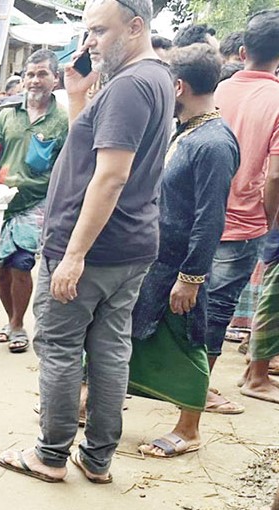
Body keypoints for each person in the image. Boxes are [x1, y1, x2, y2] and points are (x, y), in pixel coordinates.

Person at [0, 0, 174, 485]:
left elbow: (111, 177)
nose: (89, 42)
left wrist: (73, 255)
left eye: (99, 31)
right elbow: (92, 152)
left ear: (136, 27)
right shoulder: (151, 78)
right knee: (111, 350)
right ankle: (97, 460)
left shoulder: (131, 85)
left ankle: (50, 455)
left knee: (59, 347)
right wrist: (78, 97)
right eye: (87, 31)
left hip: (93, 249)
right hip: (129, 245)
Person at [128, 44, 239, 458]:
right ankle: (91, 399)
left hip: (182, 269)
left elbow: (211, 219)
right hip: (157, 263)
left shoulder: (213, 143)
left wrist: (191, 278)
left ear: (178, 86)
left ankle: (189, 429)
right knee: (134, 333)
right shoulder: (187, 132)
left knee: (188, 344)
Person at [0, 50, 69, 354]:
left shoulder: (63, 120)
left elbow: (68, 166)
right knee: (1, 265)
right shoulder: (8, 114)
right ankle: (10, 320)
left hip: (38, 202)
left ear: (55, 79)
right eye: (30, 74)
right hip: (2, 202)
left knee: (21, 262)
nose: (34, 80)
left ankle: (16, 324)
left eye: (42, 74)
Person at [227, 10, 279, 405]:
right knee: (225, 305)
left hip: (204, 213)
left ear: (243, 50)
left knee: (196, 302)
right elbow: (274, 176)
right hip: (249, 217)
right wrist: (268, 219)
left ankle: (253, 370)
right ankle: (253, 376)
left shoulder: (218, 89)